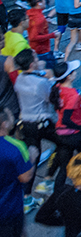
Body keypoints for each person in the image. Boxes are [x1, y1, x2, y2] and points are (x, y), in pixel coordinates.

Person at [12, 49, 60, 209]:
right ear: (32, 63)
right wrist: (51, 79)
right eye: (35, 58)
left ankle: (26, 197)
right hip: (42, 123)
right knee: (63, 143)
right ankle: (48, 179)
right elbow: (52, 98)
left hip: (26, 124)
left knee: (34, 157)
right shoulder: (40, 83)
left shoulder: (19, 79)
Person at [50, 60, 81, 189]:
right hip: (74, 134)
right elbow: (66, 119)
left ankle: (57, 194)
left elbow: (65, 105)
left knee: (64, 168)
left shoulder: (57, 88)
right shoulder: (72, 95)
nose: (75, 72)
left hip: (61, 134)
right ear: (69, 76)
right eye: (73, 71)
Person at [0, 106, 35, 237]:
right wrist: (32, 157)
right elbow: (25, 177)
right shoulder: (16, 147)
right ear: (4, 124)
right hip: (8, 208)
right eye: (10, 115)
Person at [26, 0, 60, 69]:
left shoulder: (29, 13)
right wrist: (52, 35)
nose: (45, 1)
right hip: (43, 51)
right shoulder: (39, 18)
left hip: (35, 49)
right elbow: (34, 37)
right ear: (39, 3)